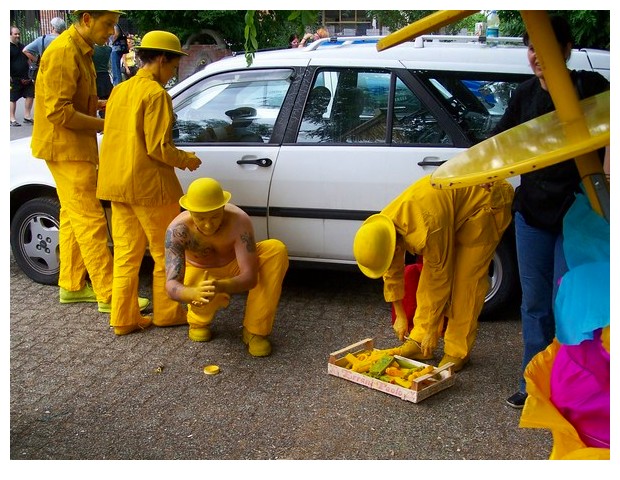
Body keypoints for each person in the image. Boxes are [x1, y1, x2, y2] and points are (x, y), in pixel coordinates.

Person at [491, 16, 610, 409]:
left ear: (566, 51)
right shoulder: (524, 95)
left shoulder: (592, 88)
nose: (537, 56)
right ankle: (533, 382)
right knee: (535, 302)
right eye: (531, 48)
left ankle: (572, 386)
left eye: (545, 48)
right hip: (532, 216)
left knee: (568, 302)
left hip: (578, 215)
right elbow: (499, 144)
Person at [30, 10, 149, 317]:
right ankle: (110, 295)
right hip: (65, 149)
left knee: (72, 215)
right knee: (91, 220)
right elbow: (58, 113)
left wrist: (101, 105)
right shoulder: (64, 51)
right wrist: (103, 125)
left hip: (72, 148)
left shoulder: (79, 49)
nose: (112, 31)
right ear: (86, 18)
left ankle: (71, 285)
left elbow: (70, 100)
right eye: (107, 23)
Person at [97, 30, 201, 336]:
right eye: (172, 66)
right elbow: (159, 148)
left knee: (126, 256)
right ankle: (168, 313)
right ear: (159, 59)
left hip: (118, 185)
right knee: (164, 252)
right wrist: (187, 159)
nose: (172, 73)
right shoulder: (156, 95)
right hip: (150, 187)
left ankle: (123, 319)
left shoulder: (120, 90)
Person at [353, 175, 514, 372]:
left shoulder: (428, 227)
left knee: (466, 284)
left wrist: (432, 329)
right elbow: (392, 269)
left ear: (394, 247)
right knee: (429, 277)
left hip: (486, 203)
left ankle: (457, 351)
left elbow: (441, 277)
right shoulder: (383, 227)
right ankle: (420, 341)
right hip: (451, 209)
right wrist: (400, 314)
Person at [164, 178, 289, 357]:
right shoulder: (177, 231)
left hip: (234, 267)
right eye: (200, 218)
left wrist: (221, 285)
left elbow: (250, 277)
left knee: (275, 250)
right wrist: (192, 293)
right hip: (200, 270)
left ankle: (255, 330)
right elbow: (171, 286)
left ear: (223, 207)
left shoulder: (239, 221)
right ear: (189, 211)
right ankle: (198, 321)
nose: (208, 224)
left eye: (215, 216)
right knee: (200, 288)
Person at [22, 16, 67, 83]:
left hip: (45, 72)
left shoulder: (42, 39)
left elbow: (25, 50)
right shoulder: (66, 40)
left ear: (53, 27)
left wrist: (38, 61)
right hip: (63, 72)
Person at [10, 26, 34, 126]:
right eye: (15, 34)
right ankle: (12, 118)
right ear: (10, 35)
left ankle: (27, 116)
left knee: (30, 95)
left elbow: (28, 60)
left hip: (26, 77)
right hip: (14, 78)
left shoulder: (22, 47)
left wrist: (31, 72)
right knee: (12, 98)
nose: (18, 35)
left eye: (19, 33)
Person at [93, 43, 113, 118]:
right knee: (105, 101)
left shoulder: (93, 49)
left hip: (96, 77)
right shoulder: (108, 49)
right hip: (106, 76)